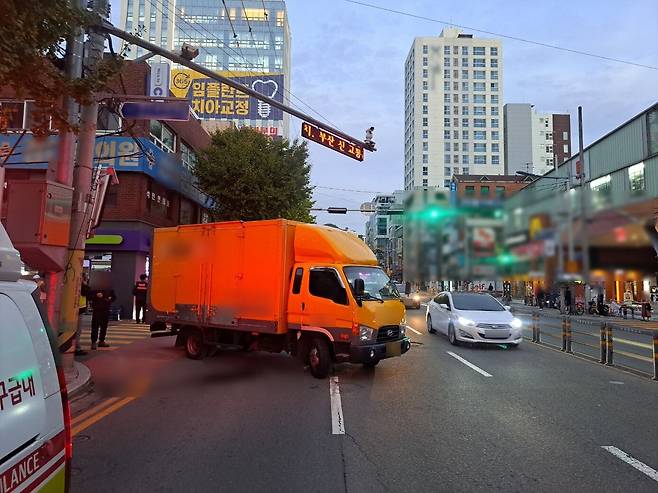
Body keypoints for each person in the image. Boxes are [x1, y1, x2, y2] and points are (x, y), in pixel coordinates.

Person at [74, 273, 90, 356]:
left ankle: (76, 346)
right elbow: (87, 292)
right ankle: (77, 348)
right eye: (86, 278)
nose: (87, 279)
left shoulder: (75, 283)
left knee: (77, 330)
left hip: (78, 308)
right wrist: (85, 284)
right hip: (78, 308)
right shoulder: (81, 285)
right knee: (77, 330)